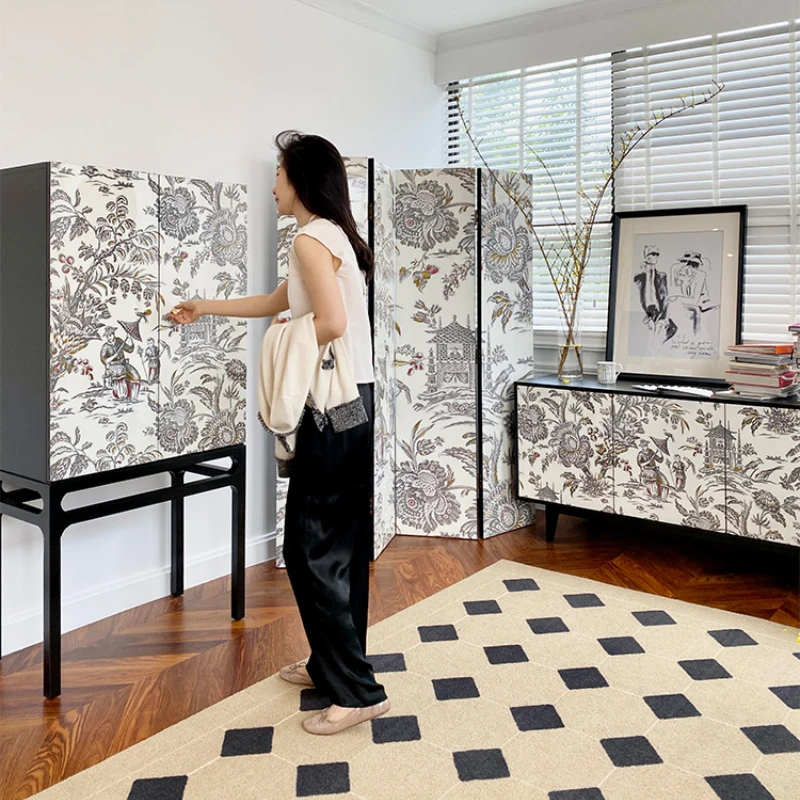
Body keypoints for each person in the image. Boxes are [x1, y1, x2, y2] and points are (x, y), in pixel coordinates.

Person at [168, 131, 389, 736]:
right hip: (353, 402)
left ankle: (359, 691)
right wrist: (205, 307)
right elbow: (277, 301)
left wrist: (279, 348)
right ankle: (333, 665)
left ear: (301, 179)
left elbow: (332, 322)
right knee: (337, 541)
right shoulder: (334, 236)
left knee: (307, 547)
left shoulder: (310, 237)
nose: (271, 185)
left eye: (278, 174)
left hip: (327, 407)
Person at [633, 244, 677, 341]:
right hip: (645, 312)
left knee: (669, 331)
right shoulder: (638, 278)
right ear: (646, 256)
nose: (656, 257)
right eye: (653, 254)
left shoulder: (662, 276)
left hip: (658, 312)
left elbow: (665, 296)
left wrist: (664, 315)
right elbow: (636, 298)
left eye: (657, 254)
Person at [100, 326, 142, 402]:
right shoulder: (105, 346)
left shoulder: (119, 341)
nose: (109, 337)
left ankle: (134, 397)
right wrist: (114, 356)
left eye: (110, 335)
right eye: (107, 336)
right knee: (120, 373)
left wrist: (130, 339)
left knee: (135, 375)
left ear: (113, 334)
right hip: (113, 365)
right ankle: (122, 395)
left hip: (123, 363)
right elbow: (104, 360)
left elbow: (129, 349)